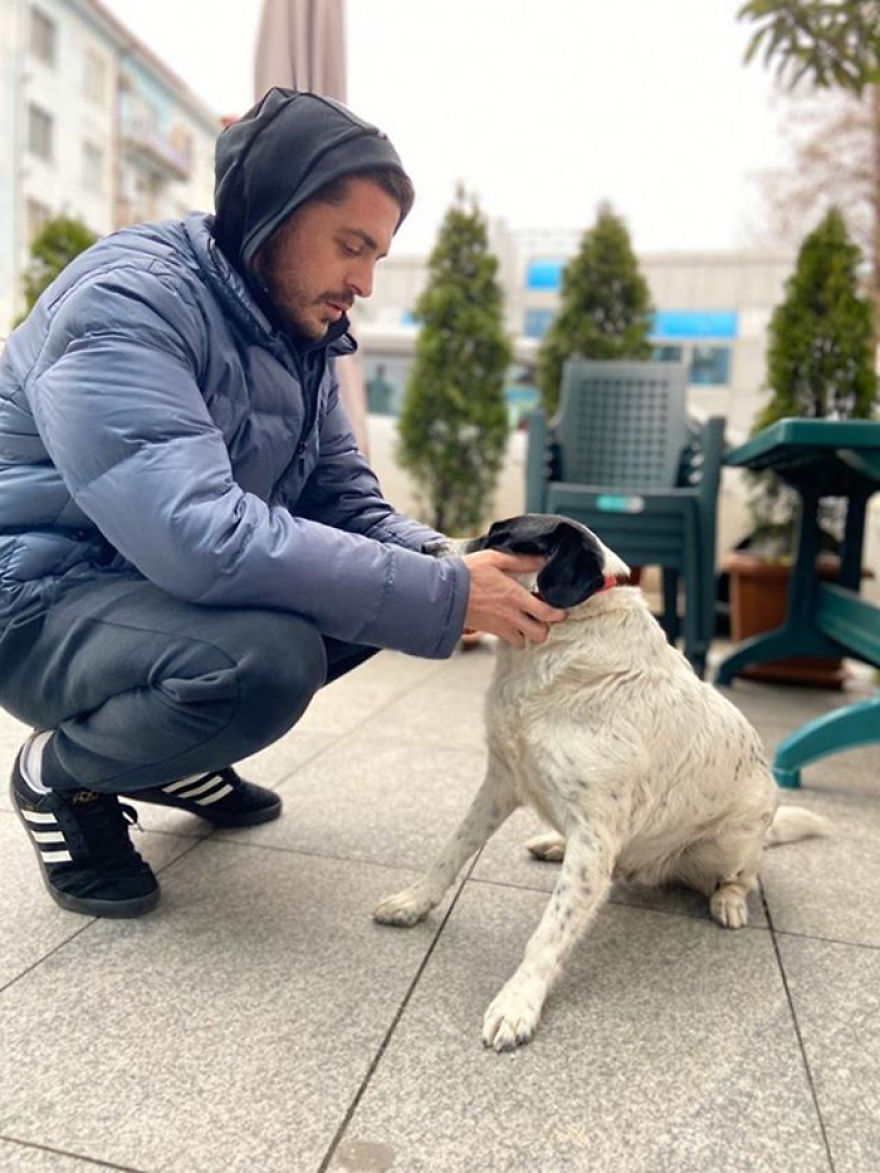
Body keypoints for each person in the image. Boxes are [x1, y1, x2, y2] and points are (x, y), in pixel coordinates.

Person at [0, 88, 565, 919]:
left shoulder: (295, 331)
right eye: (351, 246)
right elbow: (195, 535)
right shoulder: (125, 304)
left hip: (140, 592)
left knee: (390, 589)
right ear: (272, 213)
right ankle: (61, 774)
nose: (363, 282)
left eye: (378, 256)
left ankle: (163, 753)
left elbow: (344, 501)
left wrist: (455, 563)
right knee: (267, 659)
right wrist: (444, 591)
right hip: (36, 602)